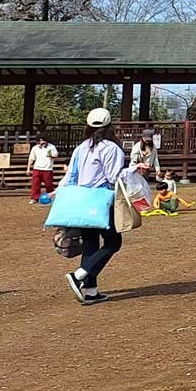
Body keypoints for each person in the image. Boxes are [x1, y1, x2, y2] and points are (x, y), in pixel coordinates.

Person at [64, 108, 127, 304]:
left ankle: (90, 290)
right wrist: (133, 170)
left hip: (81, 198)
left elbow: (71, 176)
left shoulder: (81, 147)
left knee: (90, 243)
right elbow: (113, 177)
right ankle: (79, 275)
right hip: (101, 198)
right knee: (113, 242)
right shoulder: (112, 148)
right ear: (110, 126)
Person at [27, 136, 60, 203]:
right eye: (40, 141)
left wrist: (51, 155)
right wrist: (28, 169)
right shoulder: (35, 148)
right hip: (37, 168)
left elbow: (55, 156)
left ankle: (51, 197)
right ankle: (34, 198)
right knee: (35, 184)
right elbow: (31, 159)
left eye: (43, 140)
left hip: (47, 169)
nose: (42, 142)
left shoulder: (51, 147)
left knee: (48, 184)